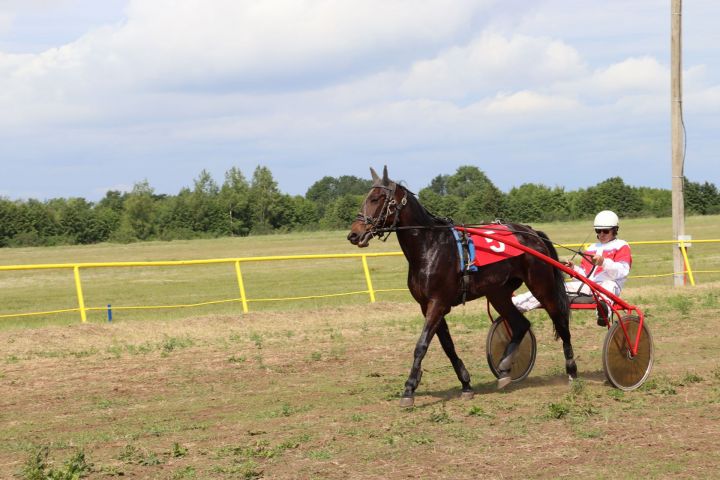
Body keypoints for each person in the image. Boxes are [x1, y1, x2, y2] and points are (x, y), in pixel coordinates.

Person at [512, 210, 632, 326]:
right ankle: (516, 304)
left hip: (608, 286)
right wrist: (573, 269)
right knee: (550, 288)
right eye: (598, 230)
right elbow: (584, 276)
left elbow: (623, 271)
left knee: (609, 286)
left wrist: (603, 262)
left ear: (615, 230)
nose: (601, 234)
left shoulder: (621, 245)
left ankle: (603, 313)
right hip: (587, 286)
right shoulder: (591, 247)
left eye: (605, 231)